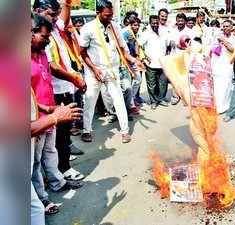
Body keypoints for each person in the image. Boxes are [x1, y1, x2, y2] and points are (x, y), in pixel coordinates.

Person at [31, 13, 84, 217]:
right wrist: (46, 110)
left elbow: (51, 69)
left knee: (50, 152)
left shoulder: (42, 53)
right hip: (35, 118)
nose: (47, 41)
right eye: (44, 37)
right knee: (34, 163)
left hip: (50, 110)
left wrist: (72, 78)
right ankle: (41, 199)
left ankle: (57, 183)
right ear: (30, 33)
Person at [79, 0, 139, 143]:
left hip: (112, 70)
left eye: (111, 15)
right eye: (106, 16)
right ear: (98, 13)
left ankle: (125, 132)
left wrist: (133, 60)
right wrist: (94, 69)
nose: (109, 18)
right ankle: (87, 130)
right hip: (94, 71)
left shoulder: (115, 27)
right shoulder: (88, 28)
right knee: (90, 100)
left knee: (118, 100)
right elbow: (81, 52)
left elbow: (123, 49)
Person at [138, 15, 168, 109]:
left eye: (156, 22)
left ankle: (161, 99)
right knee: (152, 84)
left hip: (162, 63)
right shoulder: (146, 33)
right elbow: (138, 45)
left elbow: (168, 44)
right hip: (151, 64)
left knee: (163, 83)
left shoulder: (163, 32)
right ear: (150, 23)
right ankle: (153, 101)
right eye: (153, 23)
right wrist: (143, 57)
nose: (155, 24)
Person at [210, 20, 235, 114]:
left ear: (232, 27)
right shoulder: (217, 36)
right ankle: (215, 106)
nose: (225, 28)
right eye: (224, 26)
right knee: (216, 87)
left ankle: (223, 107)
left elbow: (233, 50)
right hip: (216, 66)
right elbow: (212, 49)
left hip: (227, 67)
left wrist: (224, 42)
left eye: (227, 26)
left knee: (225, 87)